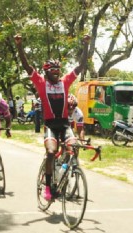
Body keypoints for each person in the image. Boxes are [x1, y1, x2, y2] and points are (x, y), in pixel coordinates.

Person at [14, 34, 90, 200]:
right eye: (53, 71)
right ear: (46, 72)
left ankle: (63, 173)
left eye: (58, 71)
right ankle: (48, 186)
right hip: (50, 125)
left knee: (74, 149)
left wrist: (85, 45)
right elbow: (26, 66)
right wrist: (19, 46)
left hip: (64, 125)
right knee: (50, 152)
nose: (56, 74)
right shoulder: (41, 83)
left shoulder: (65, 82)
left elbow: (82, 65)